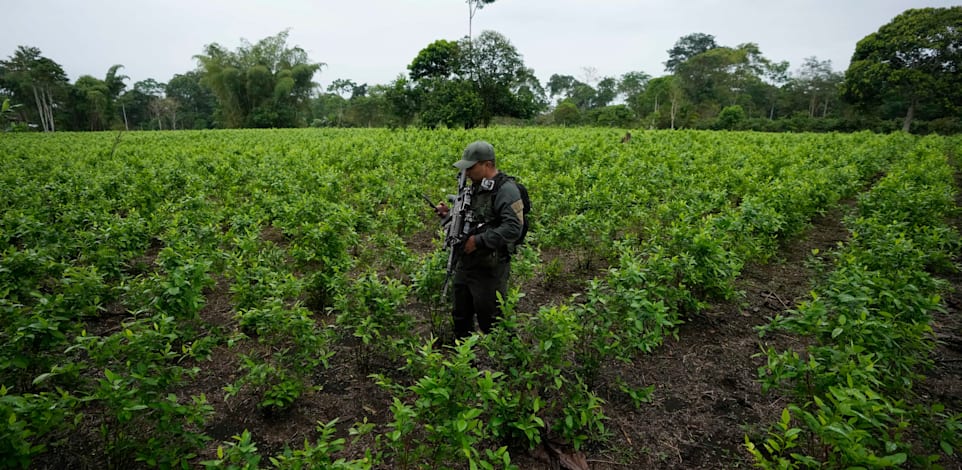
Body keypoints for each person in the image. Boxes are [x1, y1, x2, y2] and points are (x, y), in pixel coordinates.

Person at [435, 141, 524, 340]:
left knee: (493, 320)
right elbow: (472, 217)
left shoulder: (506, 190)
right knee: (461, 316)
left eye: (471, 167)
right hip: (465, 262)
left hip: (489, 266)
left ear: (487, 165)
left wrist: (478, 241)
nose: (466, 173)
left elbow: (513, 228)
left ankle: (510, 363)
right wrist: (449, 215)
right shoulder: (474, 187)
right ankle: (465, 364)